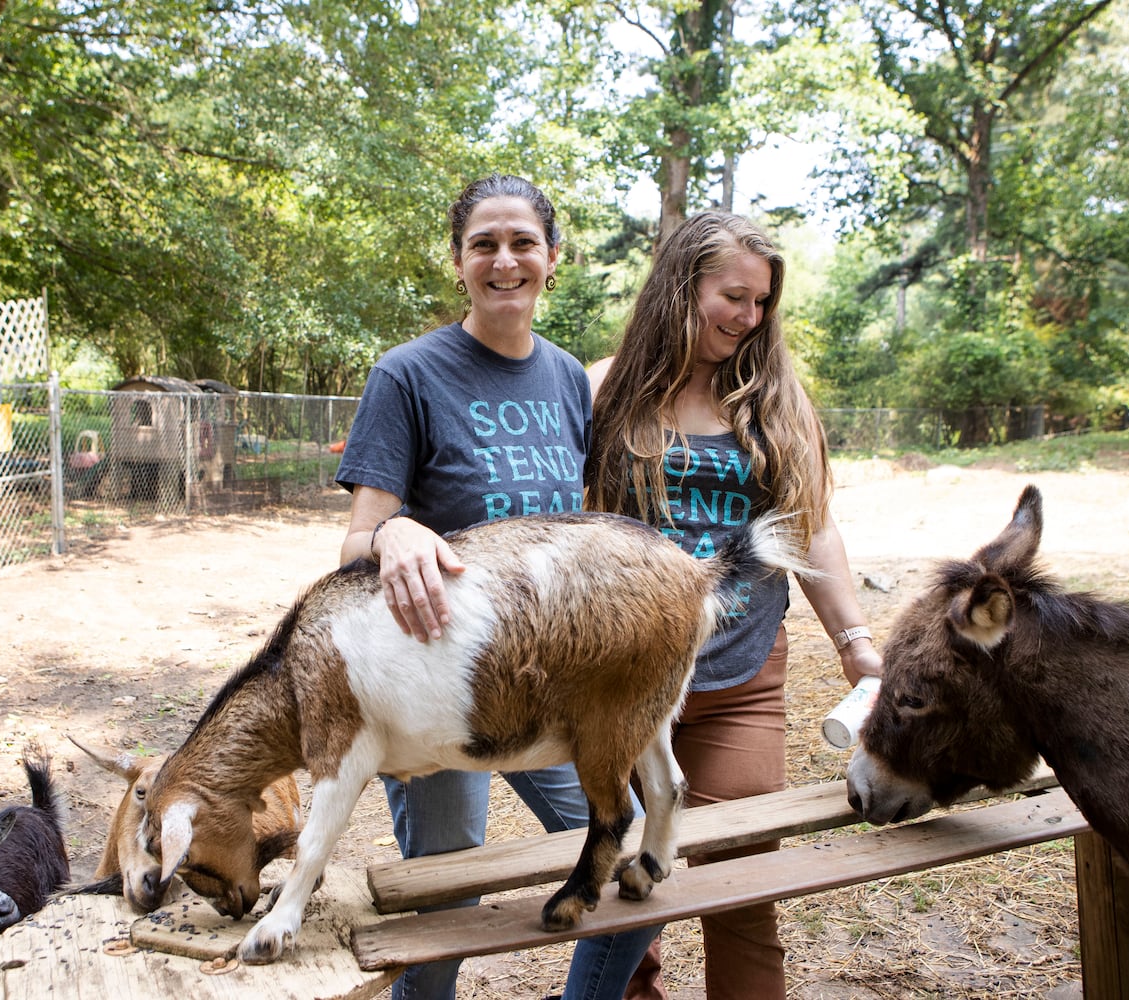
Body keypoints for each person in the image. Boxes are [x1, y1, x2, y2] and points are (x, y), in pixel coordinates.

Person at [334, 173, 660, 1000]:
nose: (504, 260)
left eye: (522, 243)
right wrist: (396, 529)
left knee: (637, 853)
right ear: (458, 263)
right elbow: (354, 544)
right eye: (484, 243)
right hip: (442, 682)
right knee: (447, 900)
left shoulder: (566, 381)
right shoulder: (406, 375)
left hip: (557, 683)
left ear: (553, 259)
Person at [586, 211, 884, 1000]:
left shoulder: (778, 403)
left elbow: (810, 529)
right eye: (733, 296)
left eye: (761, 303)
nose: (748, 318)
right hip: (622, 680)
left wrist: (854, 639)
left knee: (743, 886)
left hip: (741, 675)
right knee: (624, 885)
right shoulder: (601, 388)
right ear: (682, 287)